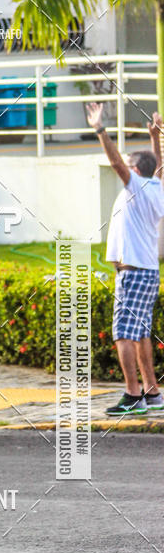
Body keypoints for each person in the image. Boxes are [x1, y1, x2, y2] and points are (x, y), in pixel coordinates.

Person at [87, 102, 164, 415]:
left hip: (132, 273)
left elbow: (118, 163)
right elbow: (157, 166)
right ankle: (152, 391)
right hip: (148, 270)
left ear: (134, 171)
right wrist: (155, 137)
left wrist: (100, 129)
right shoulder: (157, 185)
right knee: (142, 333)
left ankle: (133, 395)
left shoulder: (137, 187)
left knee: (123, 334)